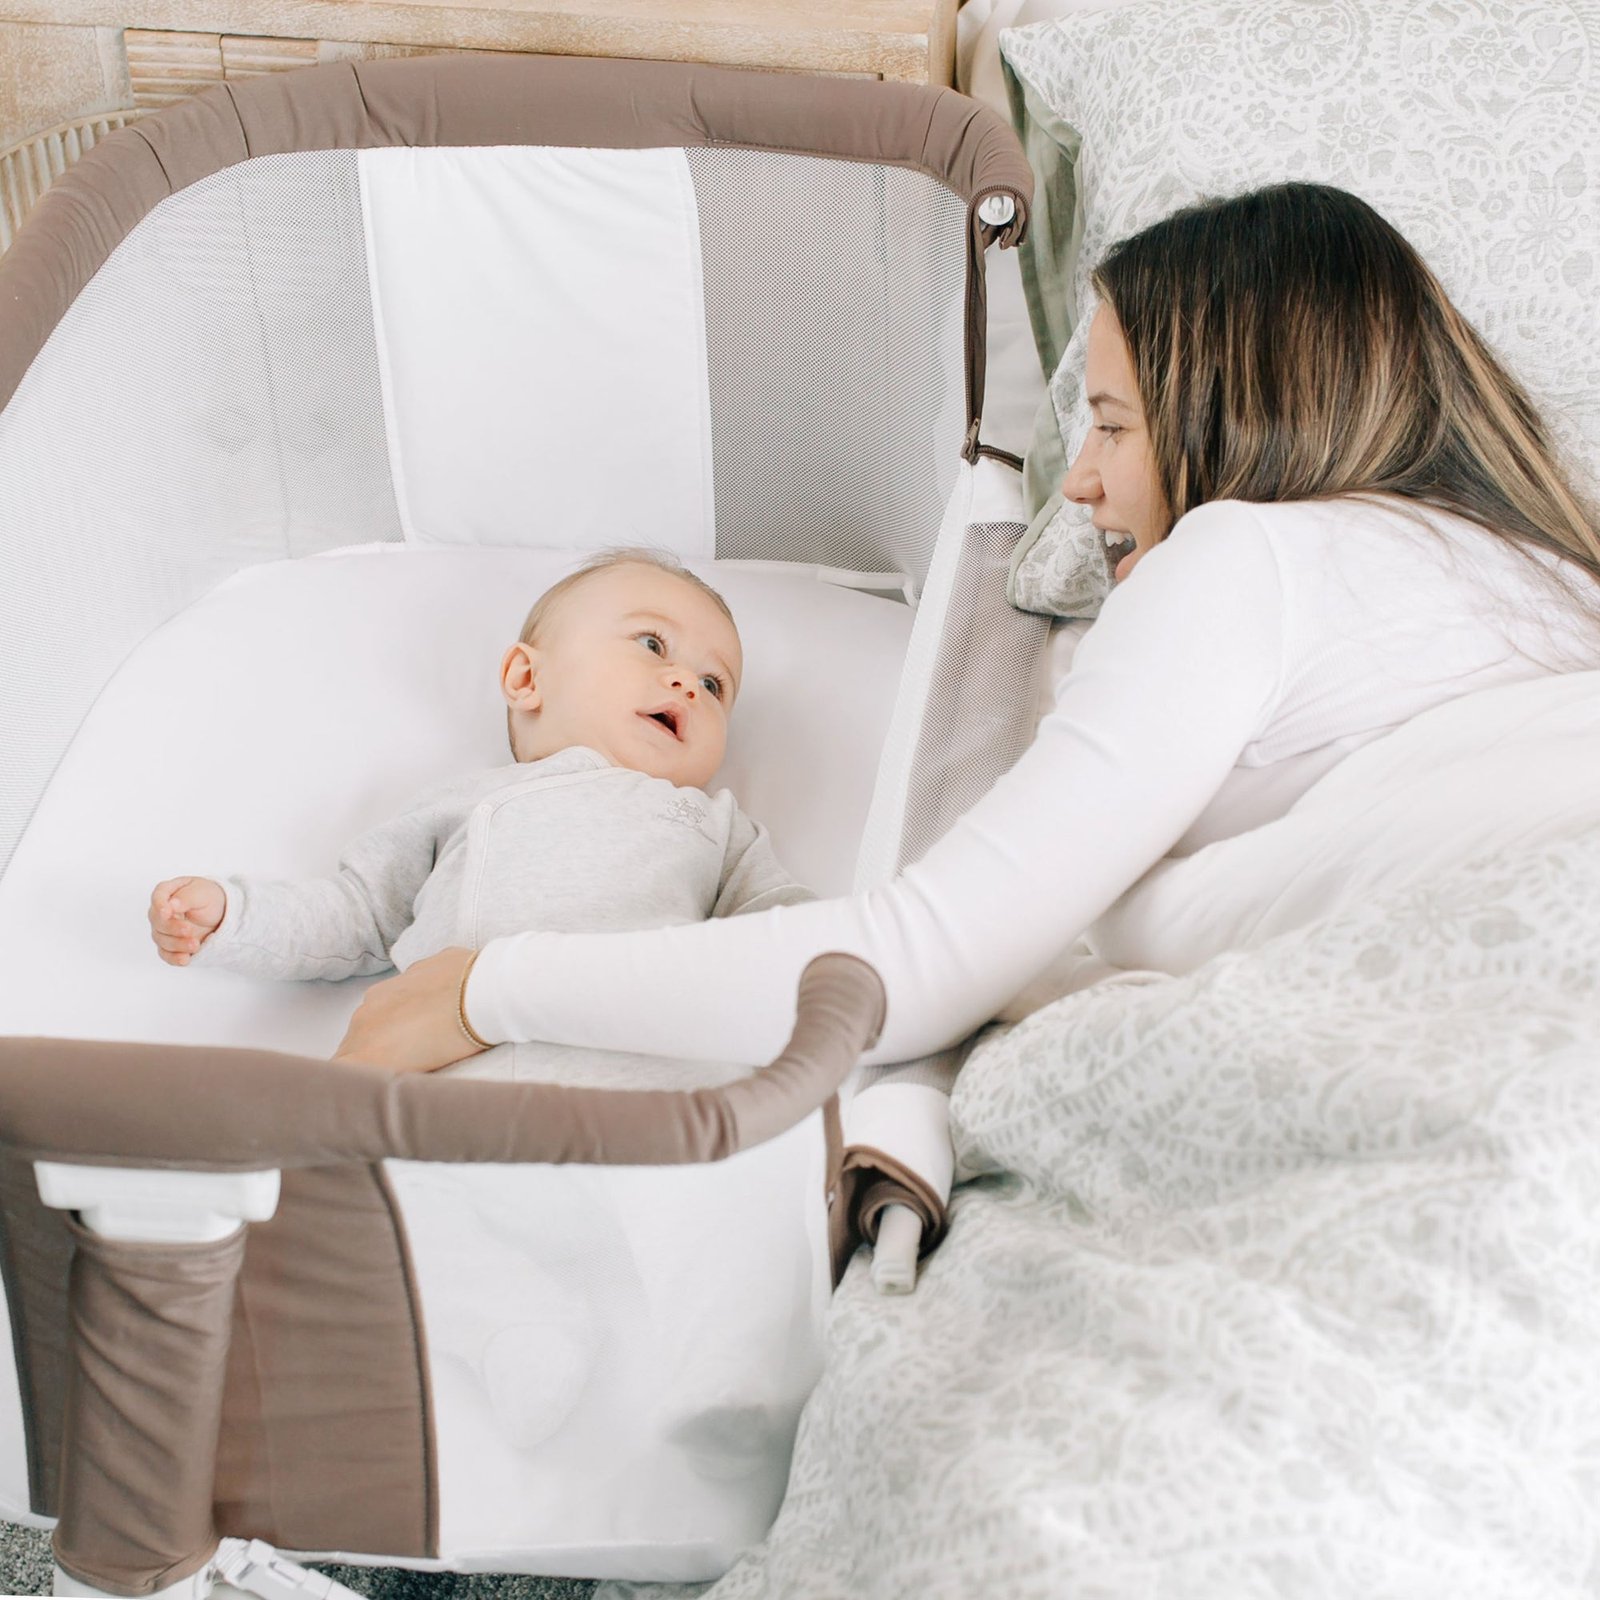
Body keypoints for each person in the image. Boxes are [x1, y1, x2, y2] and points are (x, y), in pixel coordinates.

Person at [331, 181, 1600, 1078]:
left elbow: (914, 967)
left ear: (1239, 404)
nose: (1080, 484)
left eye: (1109, 423)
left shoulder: (1248, 555)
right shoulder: (1546, 576)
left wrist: (488, 985)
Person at [148, 549, 811, 1079]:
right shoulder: (468, 801)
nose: (685, 683)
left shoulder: (712, 825)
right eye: (651, 644)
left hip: (637, 1075)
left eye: (714, 684)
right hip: (446, 1071)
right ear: (527, 679)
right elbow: (358, 913)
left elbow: (782, 924)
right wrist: (236, 917)